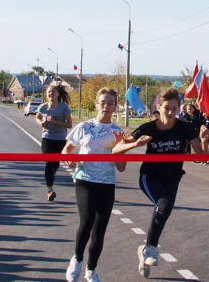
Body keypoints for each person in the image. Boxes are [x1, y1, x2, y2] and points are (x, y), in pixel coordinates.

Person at [112, 88, 209, 278]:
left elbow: (201, 157)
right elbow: (117, 149)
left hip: (173, 177)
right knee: (163, 205)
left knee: (164, 211)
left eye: (175, 108)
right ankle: (150, 248)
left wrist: (204, 141)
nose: (171, 112)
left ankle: (145, 251)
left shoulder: (184, 128)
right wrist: (135, 144)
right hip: (150, 176)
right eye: (167, 108)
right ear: (159, 107)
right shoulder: (148, 128)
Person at [63, 87, 126, 282]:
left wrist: (119, 146)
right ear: (96, 104)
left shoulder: (117, 131)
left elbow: (122, 167)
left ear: (115, 106)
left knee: (100, 228)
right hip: (85, 179)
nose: (106, 107)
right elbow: (66, 150)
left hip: (107, 183)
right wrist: (67, 158)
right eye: (102, 103)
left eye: (110, 103)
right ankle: (77, 259)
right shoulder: (84, 127)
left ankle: (91, 269)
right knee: (87, 220)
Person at [36, 84, 72, 201]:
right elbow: (37, 117)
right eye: (49, 92)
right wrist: (41, 122)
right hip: (47, 138)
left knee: (55, 164)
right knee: (49, 163)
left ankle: (51, 178)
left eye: (53, 92)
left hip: (60, 139)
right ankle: (50, 190)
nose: (51, 94)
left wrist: (55, 121)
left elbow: (69, 125)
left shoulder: (64, 107)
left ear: (58, 94)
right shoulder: (43, 107)